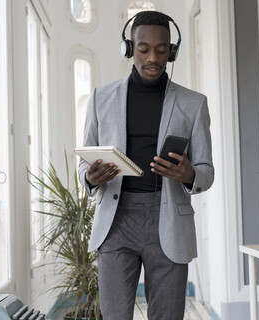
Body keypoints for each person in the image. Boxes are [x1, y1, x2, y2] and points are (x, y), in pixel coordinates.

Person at [78, 10, 214, 320]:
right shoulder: (101, 98)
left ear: (171, 50)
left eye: (162, 49)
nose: (153, 57)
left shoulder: (193, 104)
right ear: (129, 49)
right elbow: (83, 163)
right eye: (143, 49)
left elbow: (207, 170)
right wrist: (90, 176)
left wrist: (189, 173)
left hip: (168, 219)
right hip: (116, 220)